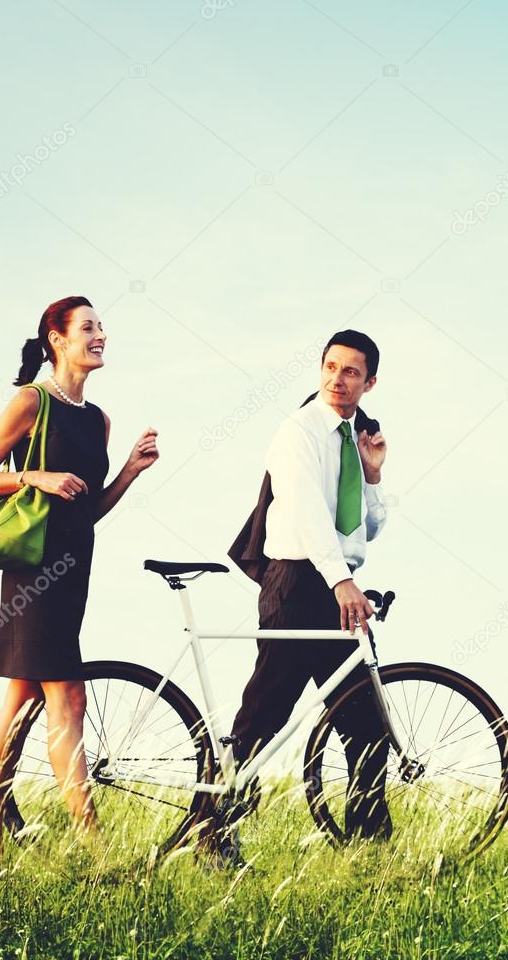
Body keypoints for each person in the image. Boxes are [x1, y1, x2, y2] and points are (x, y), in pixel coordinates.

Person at [0, 295, 159, 862]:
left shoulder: (98, 419)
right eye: (89, 328)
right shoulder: (32, 402)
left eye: (102, 328)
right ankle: (94, 847)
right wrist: (36, 477)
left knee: (23, 698)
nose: (100, 336)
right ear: (58, 338)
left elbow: (88, 510)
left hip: (74, 571)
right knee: (67, 696)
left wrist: (127, 471)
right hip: (33, 574)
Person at [218, 329, 391, 858]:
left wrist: (374, 475)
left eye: (351, 372)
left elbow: (366, 528)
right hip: (296, 582)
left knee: (368, 725)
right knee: (265, 714)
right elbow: (306, 512)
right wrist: (342, 582)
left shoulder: (352, 437)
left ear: (370, 382)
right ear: (320, 369)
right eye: (331, 367)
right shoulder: (299, 429)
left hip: (335, 583)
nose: (338, 380)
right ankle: (213, 829)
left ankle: (369, 851)